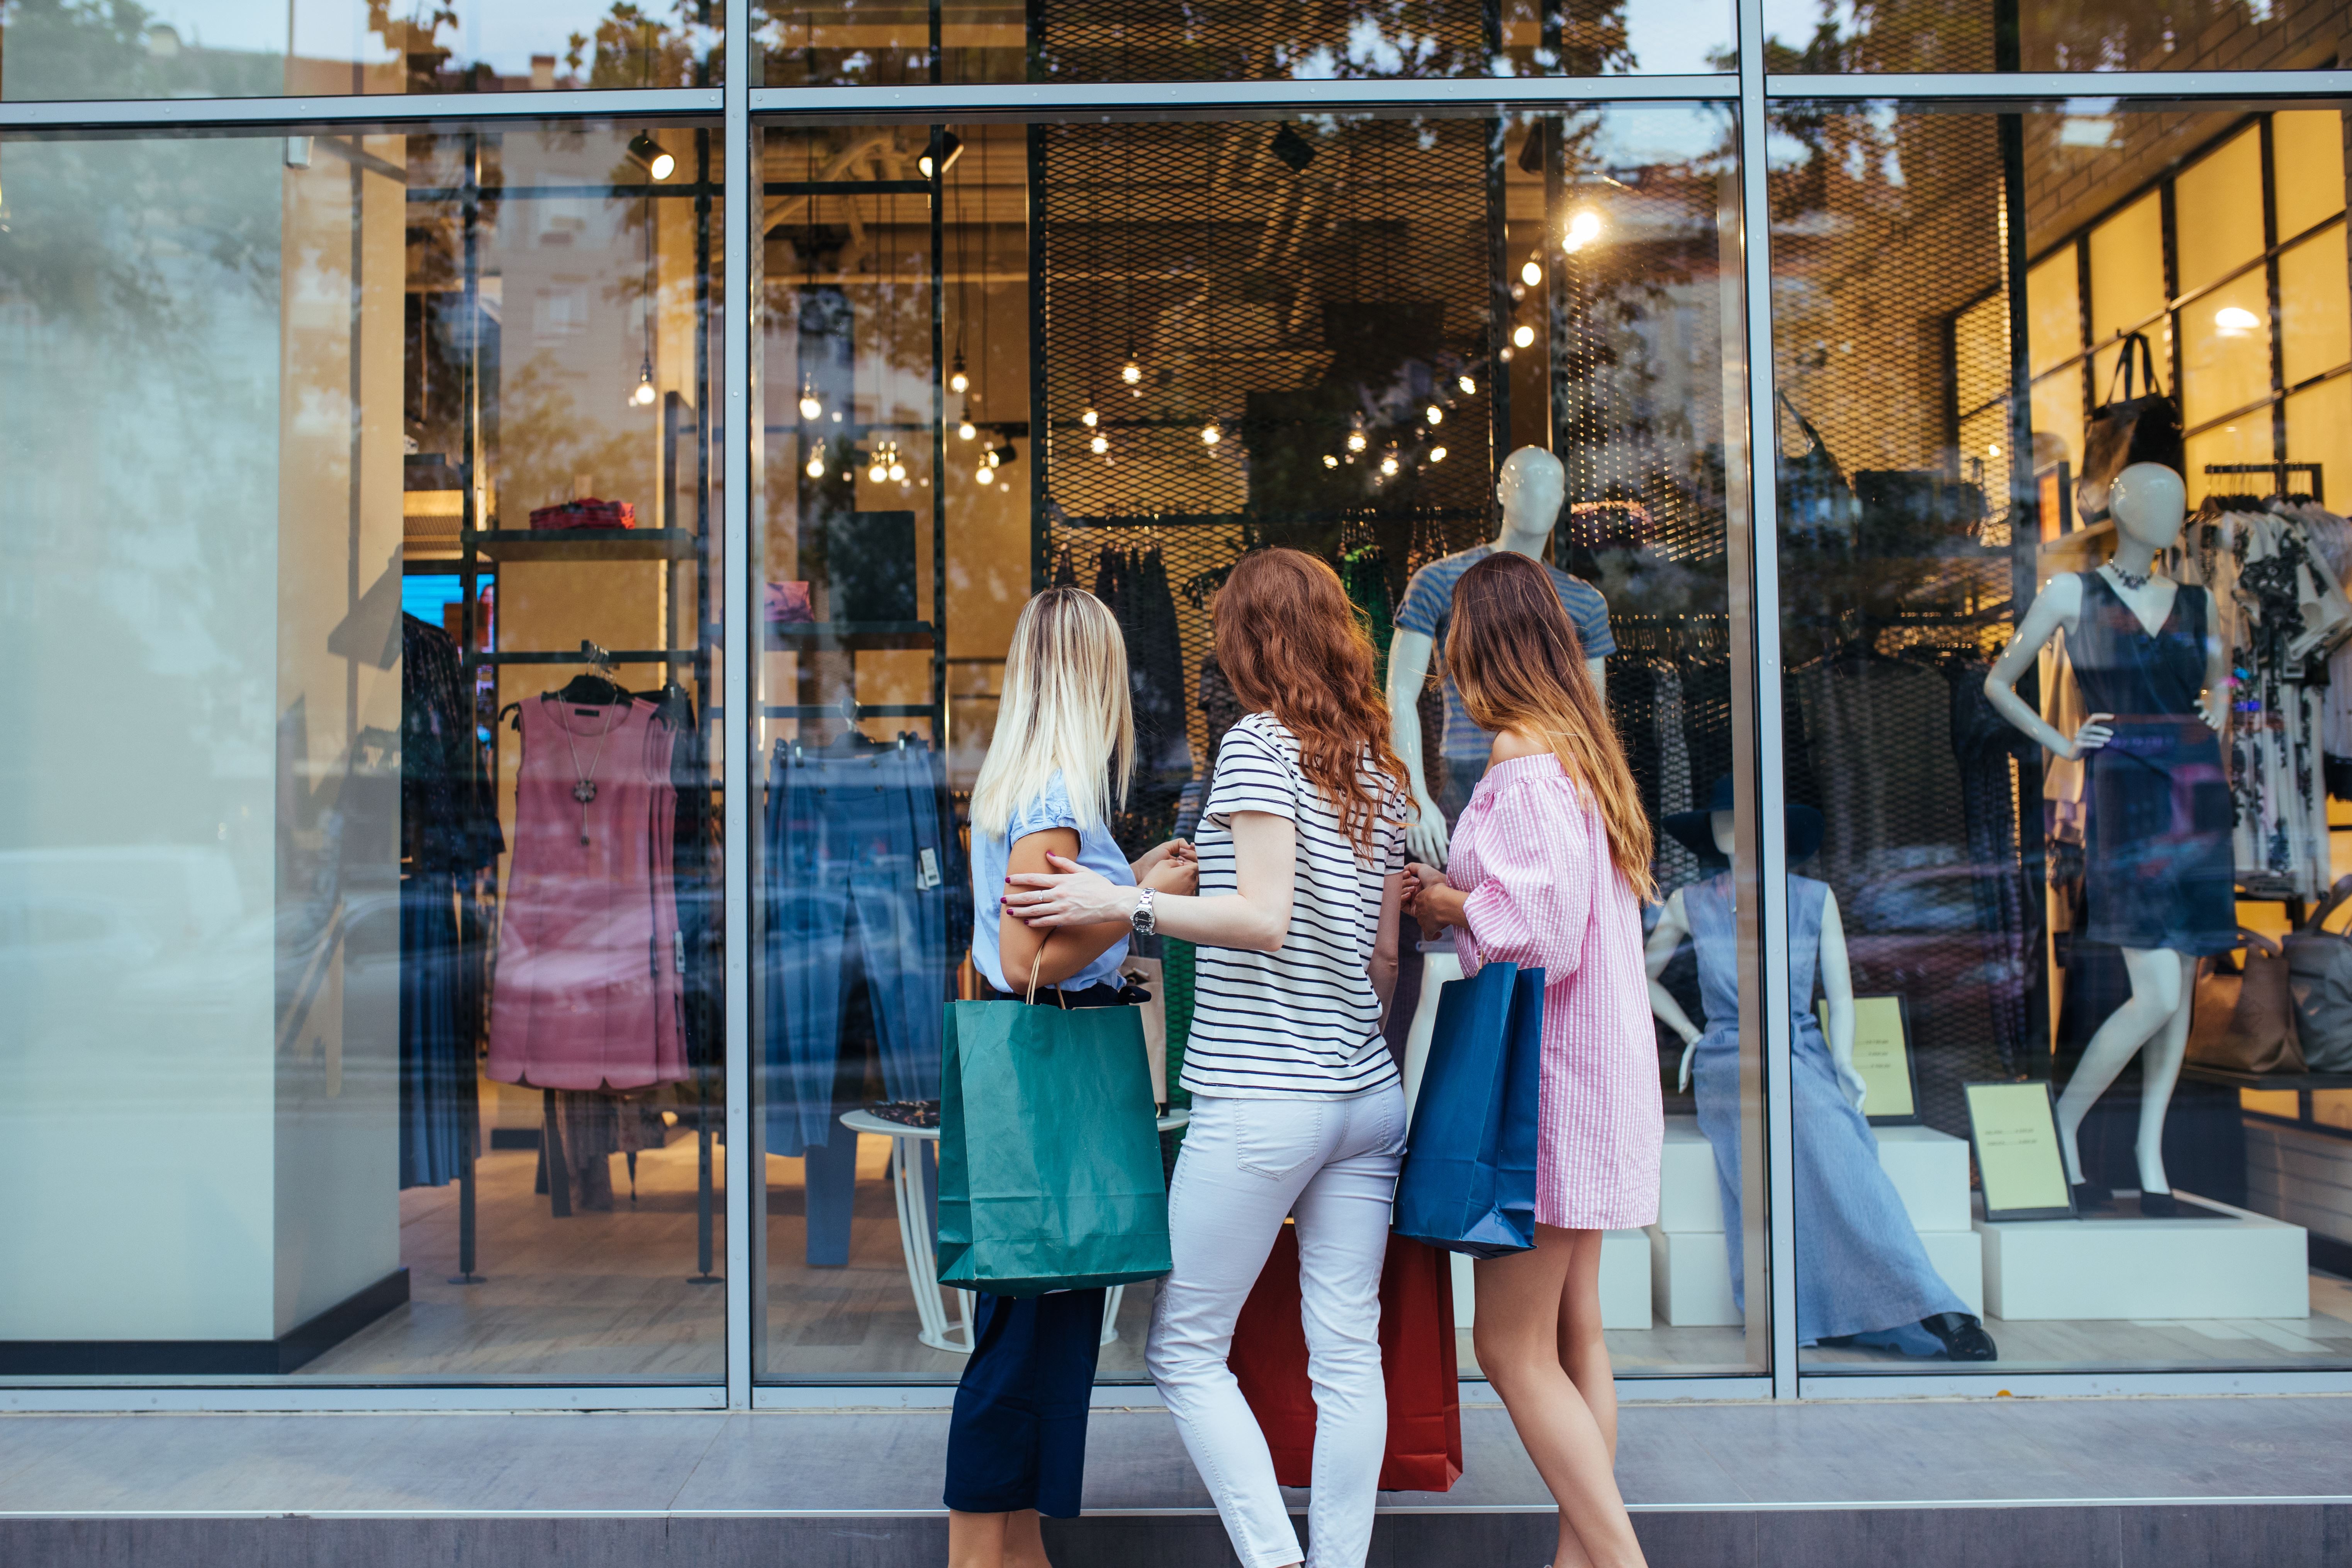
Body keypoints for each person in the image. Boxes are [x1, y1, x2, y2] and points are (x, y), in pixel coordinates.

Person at [1005, 547, 1410, 1568]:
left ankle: (1278, 1561)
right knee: (1347, 1353)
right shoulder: (1373, 759)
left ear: (1247, 639)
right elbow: (1378, 952)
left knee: (1182, 1348)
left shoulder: (1256, 747)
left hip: (1266, 1096)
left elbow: (1262, 918)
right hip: (1363, 1091)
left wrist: (1122, 901)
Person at [1401, 550, 1658, 1568]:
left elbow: (1535, 934)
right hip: (1593, 1078)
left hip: (1543, 1090)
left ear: (1480, 648)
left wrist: (1444, 902)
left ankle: (1619, 1558)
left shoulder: (1522, 762)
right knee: (1574, 1332)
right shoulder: (1584, 757)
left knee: (1507, 1347)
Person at [947, 585, 1198, 1568]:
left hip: (1043, 1076)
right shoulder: (1054, 796)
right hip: (1052, 1074)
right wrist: (1141, 899)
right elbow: (1025, 959)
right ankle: (980, 1555)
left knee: (1038, 1331)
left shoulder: (1029, 787)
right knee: (1024, 1340)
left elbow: (1046, 931)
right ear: (1095, 676)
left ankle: (1017, 1552)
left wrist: (1127, 877)